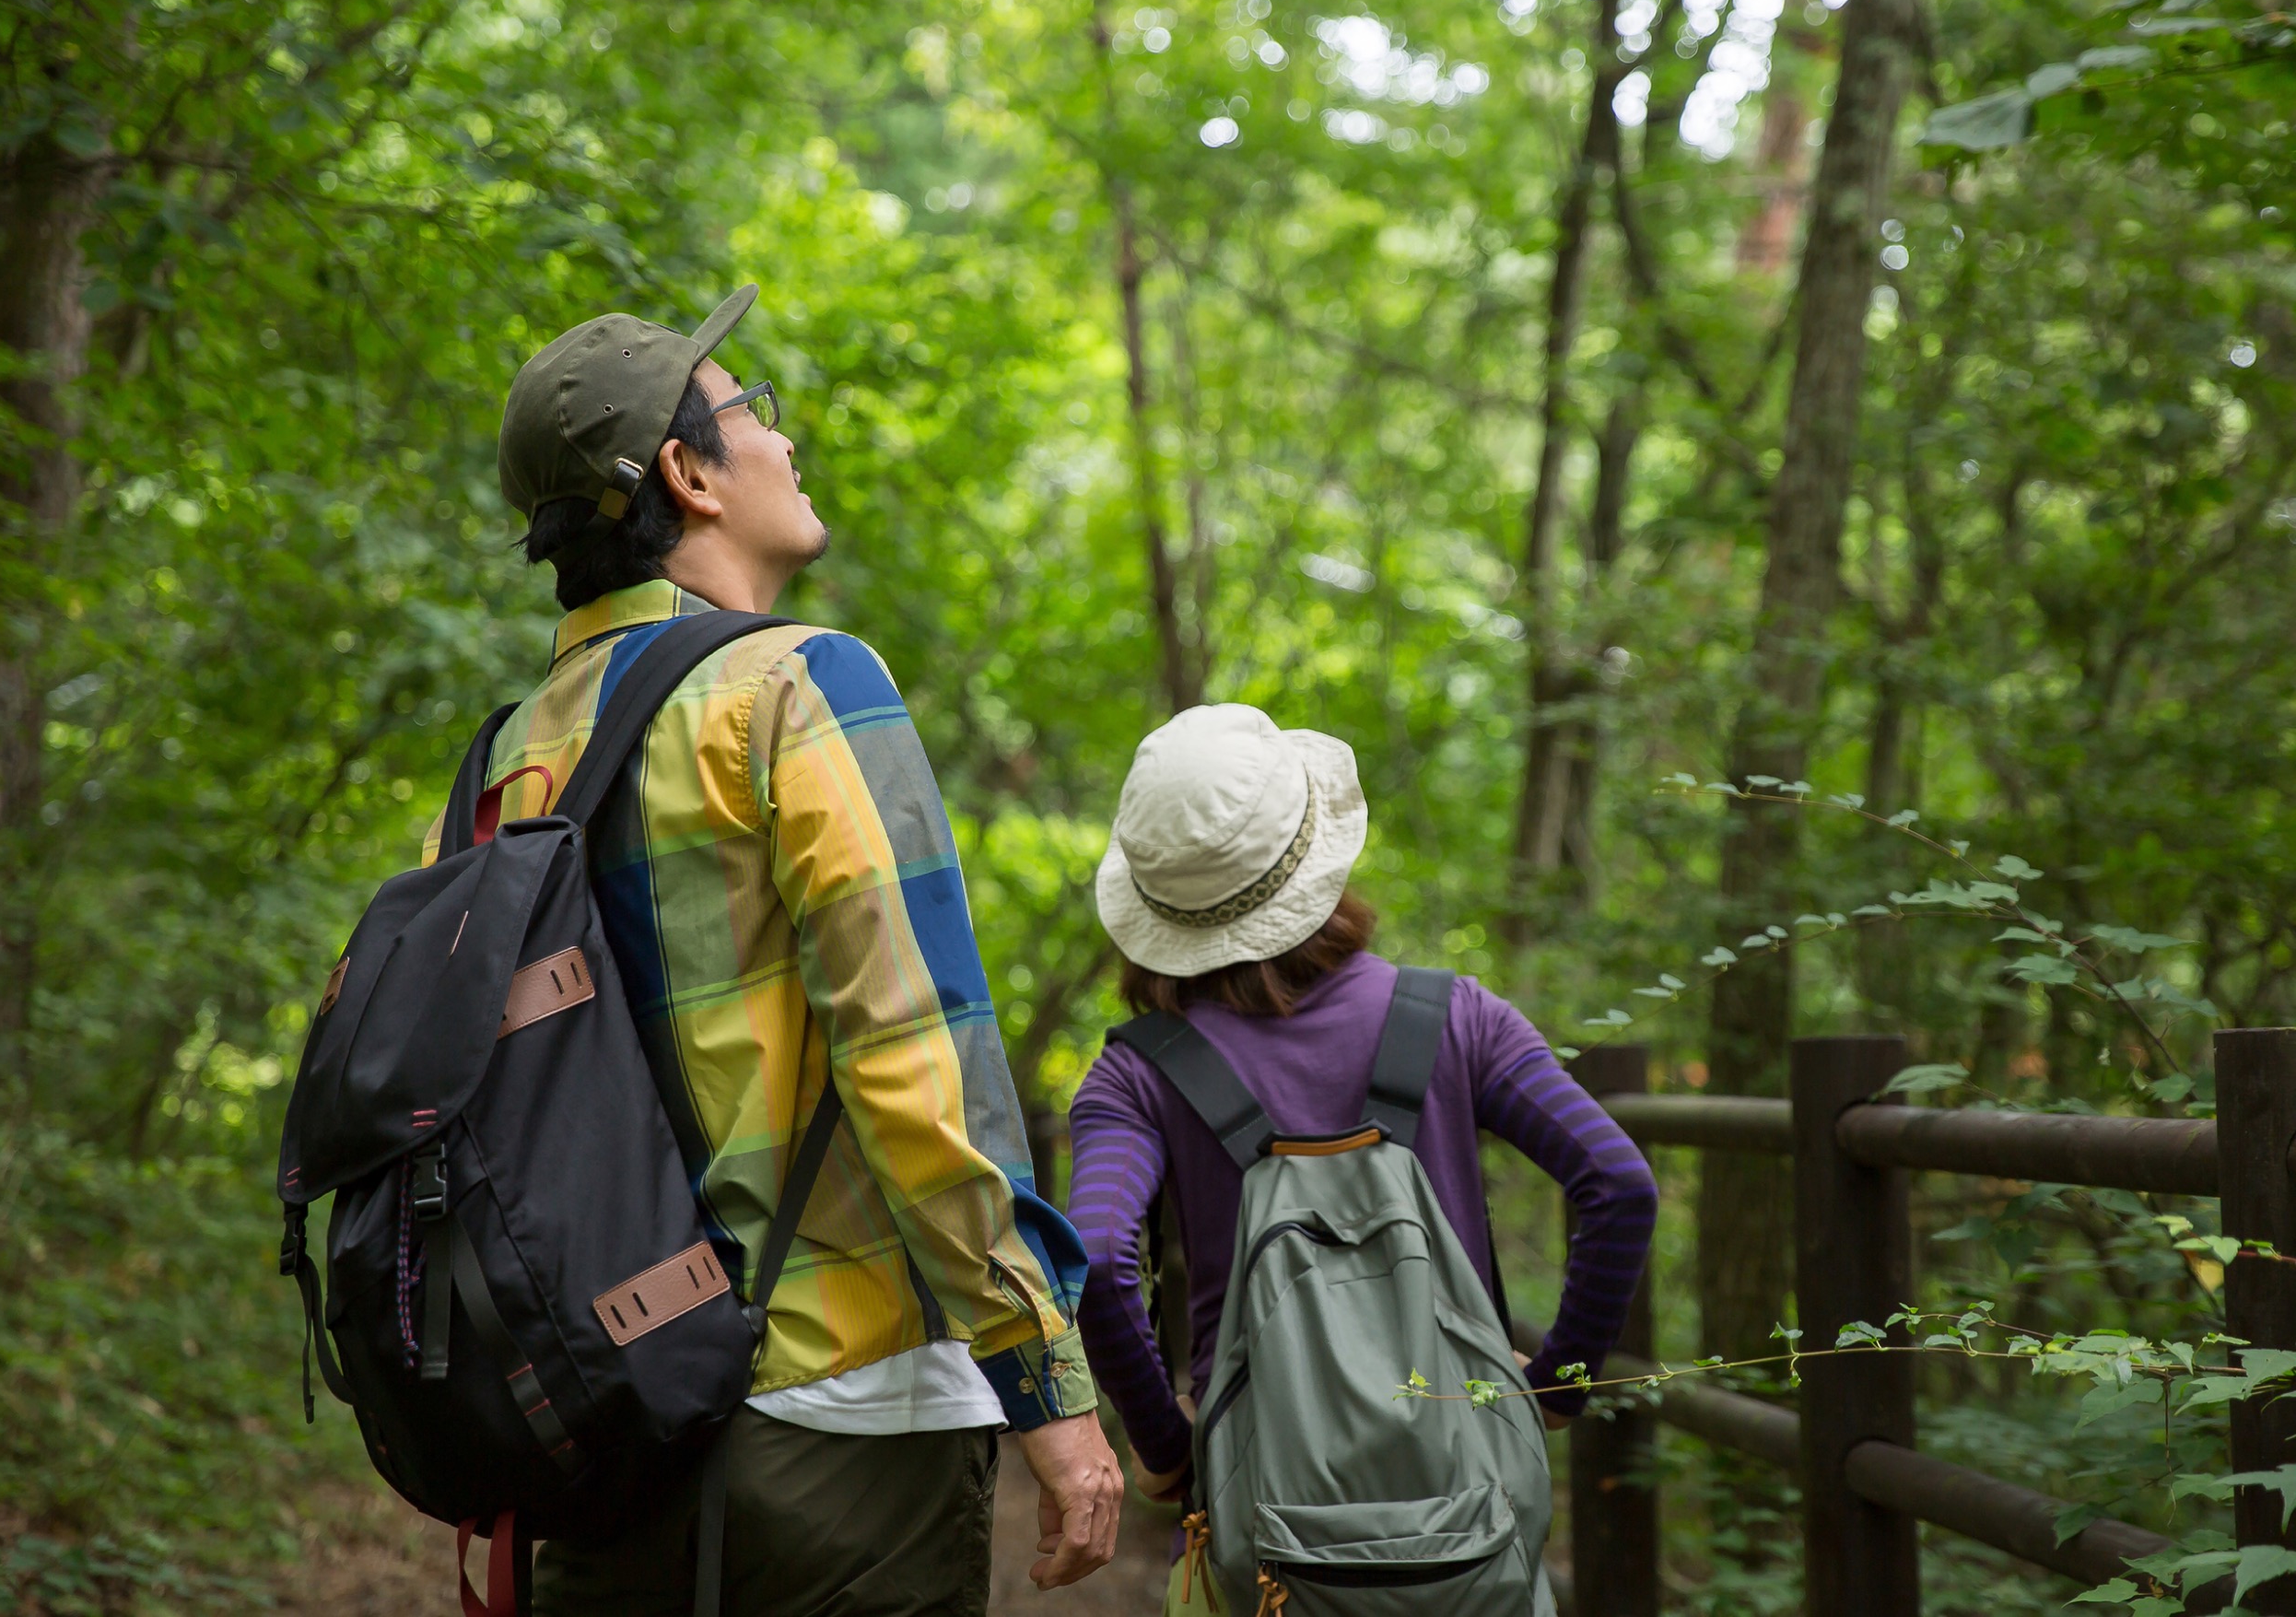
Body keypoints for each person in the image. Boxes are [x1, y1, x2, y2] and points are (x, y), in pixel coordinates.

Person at [432, 287, 1123, 1615]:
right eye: (757, 414)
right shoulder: (800, 686)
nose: (787, 443)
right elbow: (916, 1062)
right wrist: (1044, 1378)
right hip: (835, 1421)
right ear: (687, 473)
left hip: (599, 1428)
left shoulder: (502, 756)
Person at [1066, 705, 1658, 1552]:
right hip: (1470, 1490)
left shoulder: (1136, 1075)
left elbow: (1091, 1257)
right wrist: (1556, 1389)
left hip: (1265, 1499)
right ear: (1316, 861)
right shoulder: (1458, 1020)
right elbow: (1620, 1182)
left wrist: (1169, 1448)